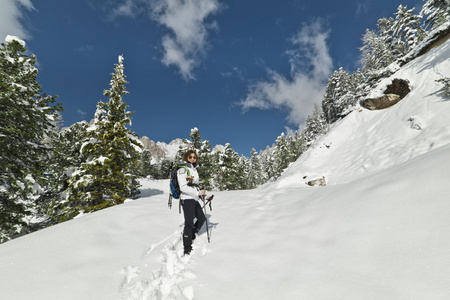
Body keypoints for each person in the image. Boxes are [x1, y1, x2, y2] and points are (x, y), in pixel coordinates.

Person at [178, 150, 212, 255]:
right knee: (188, 223)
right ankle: (187, 248)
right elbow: (183, 187)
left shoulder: (194, 169)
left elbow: (195, 187)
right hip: (187, 199)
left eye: (194, 157)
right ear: (186, 158)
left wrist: (205, 196)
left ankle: (191, 235)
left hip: (194, 199)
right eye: (190, 157)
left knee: (202, 218)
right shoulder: (182, 170)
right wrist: (198, 193)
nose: (192, 158)